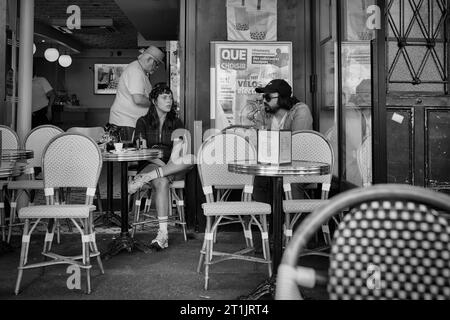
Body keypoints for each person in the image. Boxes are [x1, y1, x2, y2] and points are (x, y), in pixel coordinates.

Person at [128, 83, 194, 250]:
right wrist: (161, 166)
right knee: (162, 181)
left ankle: (145, 179)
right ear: (154, 100)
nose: (169, 100)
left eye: (170, 97)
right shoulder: (142, 122)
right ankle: (163, 233)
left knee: (191, 158)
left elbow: (177, 151)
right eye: (164, 97)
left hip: (170, 164)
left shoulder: (176, 121)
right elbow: (143, 150)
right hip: (150, 163)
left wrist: (168, 165)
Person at [253, 79, 313, 202]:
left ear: (282, 98)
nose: (264, 101)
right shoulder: (264, 113)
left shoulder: (300, 111)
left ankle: (295, 220)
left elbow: (297, 146)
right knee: (259, 179)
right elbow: (257, 142)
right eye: (264, 97)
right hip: (271, 167)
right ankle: (266, 220)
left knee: (291, 182)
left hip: (299, 167)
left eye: (268, 97)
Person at [108, 45, 165, 141]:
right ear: (150, 60)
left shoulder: (140, 71)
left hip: (128, 123)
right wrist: (157, 103)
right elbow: (138, 99)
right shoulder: (136, 71)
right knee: (128, 154)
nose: (156, 68)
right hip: (126, 123)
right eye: (157, 64)